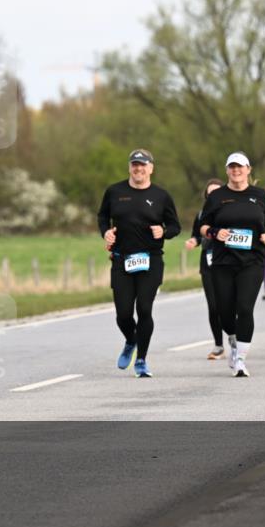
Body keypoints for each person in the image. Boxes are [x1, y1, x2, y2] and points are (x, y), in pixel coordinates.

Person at [97, 149, 181, 378]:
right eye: (135, 164)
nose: (138, 168)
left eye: (143, 165)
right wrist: (106, 233)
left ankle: (141, 360)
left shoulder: (161, 196)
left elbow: (175, 227)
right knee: (123, 314)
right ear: (129, 168)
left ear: (151, 168)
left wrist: (162, 231)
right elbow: (102, 216)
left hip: (150, 259)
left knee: (144, 308)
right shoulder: (115, 192)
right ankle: (131, 341)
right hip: (121, 259)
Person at [200, 152, 265, 377]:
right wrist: (216, 232)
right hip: (223, 261)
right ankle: (232, 340)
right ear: (227, 170)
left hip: (252, 260)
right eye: (232, 167)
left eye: (240, 167)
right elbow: (203, 226)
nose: (236, 171)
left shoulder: (260, 195)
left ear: (248, 169)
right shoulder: (217, 197)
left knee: (244, 308)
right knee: (224, 311)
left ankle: (241, 359)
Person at [185, 179, 225, 360]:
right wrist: (194, 241)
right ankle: (218, 345)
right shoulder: (202, 214)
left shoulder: (231, 212)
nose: (213, 196)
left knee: (230, 304)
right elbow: (197, 235)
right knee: (213, 306)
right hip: (208, 262)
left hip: (228, 260)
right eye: (210, 194)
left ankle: (237, 338)